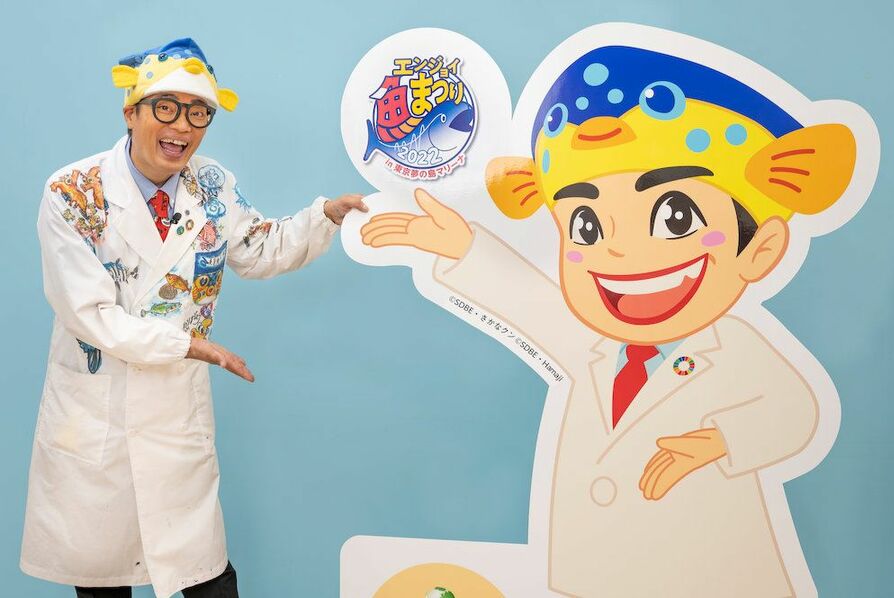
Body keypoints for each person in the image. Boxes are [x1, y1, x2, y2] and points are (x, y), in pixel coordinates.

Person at [360, 44, 858, 596]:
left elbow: (796, 410)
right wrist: (463, 247)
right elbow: (530, 305)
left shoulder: (733, 345)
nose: (617, 253)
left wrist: (721, 441)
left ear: (759, 249)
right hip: (595, 572)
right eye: (588, 228)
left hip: (705, 574)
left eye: (675, 217)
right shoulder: (595, 346)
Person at [21, 38, 366, 598]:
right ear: (130, 112)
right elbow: (88, 313)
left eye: (199, 111)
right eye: (166, 107)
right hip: (97, 409)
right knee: (103, 578)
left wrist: (325, 216)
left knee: (204, 574)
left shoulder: (213, 185)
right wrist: (187, 346)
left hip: (174, 412)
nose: (182, 125)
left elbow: (258, 248)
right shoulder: (72, 192)